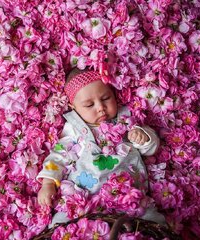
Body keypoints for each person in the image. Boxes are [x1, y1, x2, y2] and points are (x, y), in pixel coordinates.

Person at [36, 68, 165, 226]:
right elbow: (59, 155)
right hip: (85, 199)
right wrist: (48, 183)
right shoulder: (74, 128)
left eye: (106, 98)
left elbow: (151, 149)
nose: (100, 108)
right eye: (89, 105)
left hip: (129, 195)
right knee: (60, 223)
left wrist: (143, 137)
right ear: (74, 107)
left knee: (154, 220)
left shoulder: (126, 120)